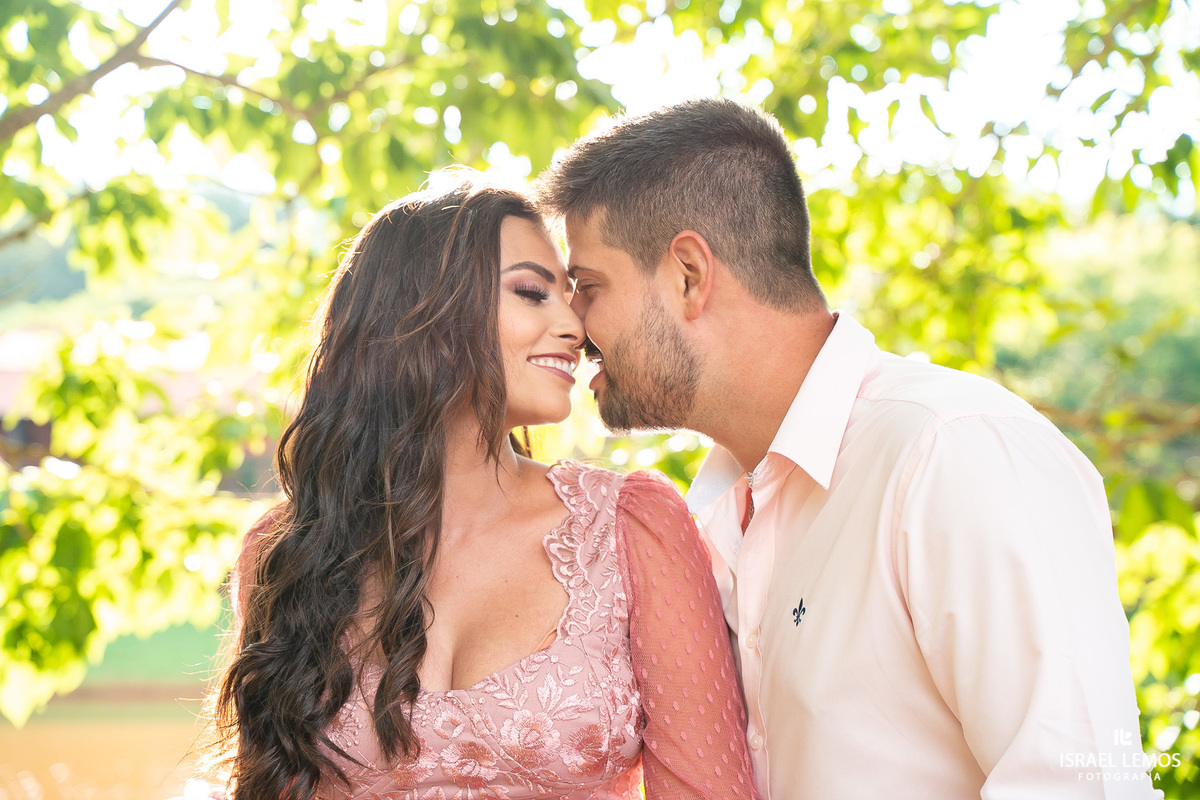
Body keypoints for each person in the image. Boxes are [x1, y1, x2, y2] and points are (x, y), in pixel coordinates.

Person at [536, 99, 1158, 800]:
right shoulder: (714, 518)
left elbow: (1081, 785)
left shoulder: (951, 453)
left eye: (588, 287)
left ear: (688, 274)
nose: (573, 324)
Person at [201, 174, 761, 800]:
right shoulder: (287, 554)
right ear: (420, 314)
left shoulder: (631, 528)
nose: (575, 328)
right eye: (531, 292)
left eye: (571, 297)